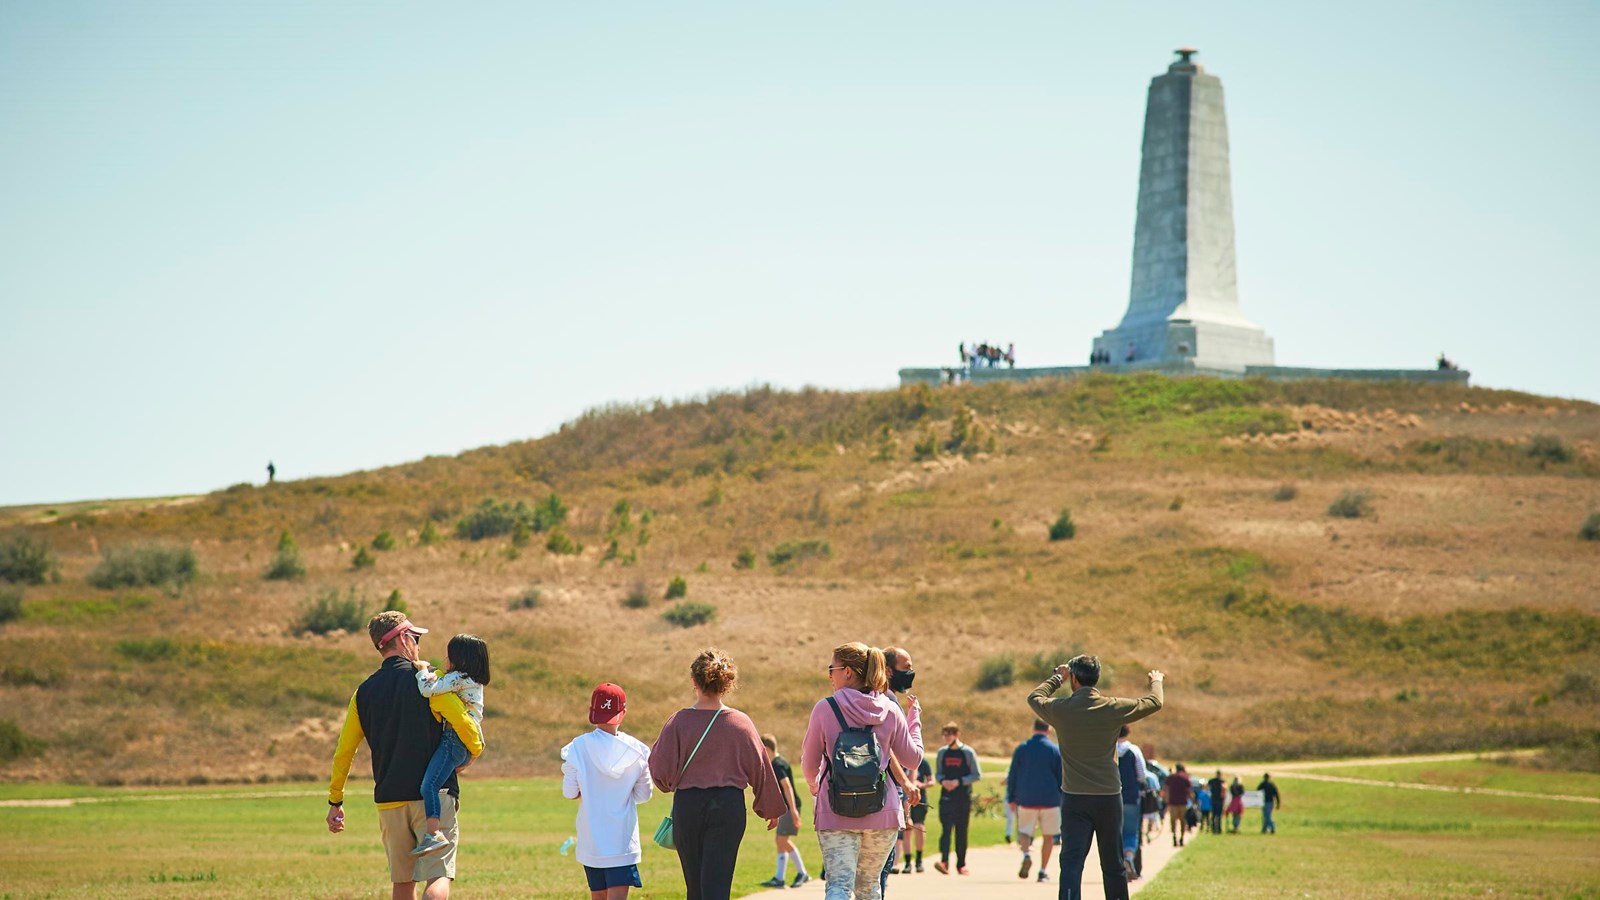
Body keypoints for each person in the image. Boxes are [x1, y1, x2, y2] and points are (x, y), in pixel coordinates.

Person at [325, 612, 485, 900]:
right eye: (416, 638)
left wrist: (336, 800)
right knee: (438, 877)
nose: (419, 645)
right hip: (433, 796)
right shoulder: (429, 683)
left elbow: (344, 752)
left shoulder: (363, 693)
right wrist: (474, 751)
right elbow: (464, 722)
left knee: (402, 883)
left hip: (389, 799)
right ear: (402, 639)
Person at [649, 648, 787, 900]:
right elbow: (760, 768)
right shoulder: (740, 722)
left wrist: (669, 782)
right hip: (728, 806)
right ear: (727, 683)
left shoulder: (679, 722)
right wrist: (770, 808)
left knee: (695, 888)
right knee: (717, 886)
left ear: (694, 681)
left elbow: (660, 770)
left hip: (688, 806)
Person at [1029, 655, 1164, 900]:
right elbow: (1154, 702)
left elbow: (1034, 697)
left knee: (1071, 863)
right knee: (1113, 863)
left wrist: (1058, 677)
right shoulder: (1111, 707)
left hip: (1074, 797)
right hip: (1109, 797)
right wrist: (1156, 680)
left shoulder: (1062, 710)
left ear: (1075, 679)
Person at [800, 642, 922, 900]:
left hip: (835, 810)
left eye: (831, 668)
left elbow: (809, 765)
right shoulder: (890, 709)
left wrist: (814, 785)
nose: (829, 675)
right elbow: (912, 759)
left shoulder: (825, 708)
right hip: (882, 812)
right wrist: (915, 720)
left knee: (838, 886)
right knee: (869, 888)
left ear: (847, 672)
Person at [561, 683, 653, 900]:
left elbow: (569, 792)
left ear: (592, 711)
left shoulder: (578, 747)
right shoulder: (638, 751)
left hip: (591, 840)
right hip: (622, 840)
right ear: (623, 712)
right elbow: (643, 795)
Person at [411, 635, 490, 856]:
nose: (446, 659)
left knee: (429, 785)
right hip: (464, 743)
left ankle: (433, 833)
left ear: (460, 659)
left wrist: (422, 669)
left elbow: (428, 689)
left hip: (454, 739)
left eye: (450, 655)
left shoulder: (459, 678)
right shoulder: (474, 681)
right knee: (436, 783)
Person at [877, 645, 921, 891]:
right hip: (888, 794)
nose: (911, 673)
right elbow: (907, 755)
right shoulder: (890, 700)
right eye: (906, 668)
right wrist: (915, 719)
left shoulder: (868, 696)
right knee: (881, 872)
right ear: (889, 671)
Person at [1007, 719, 1063, 884]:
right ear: (1049, 729)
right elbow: (1062, 777)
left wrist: (1011, 797)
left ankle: (1026, 854)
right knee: (1048, 836)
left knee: (1024, 831)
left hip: (1026, 798)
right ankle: (1042, 871)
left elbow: (1013, 774)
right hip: (1050, 800)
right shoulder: (1055, 750)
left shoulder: (1022, 749)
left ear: (1033, 729)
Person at [760, 734, 811, 889]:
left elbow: (787, 786)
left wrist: (794, 811)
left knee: (782, 840)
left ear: (767, 749)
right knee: (779, 841)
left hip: (790, 806)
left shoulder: (777, 765)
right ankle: (779, 877)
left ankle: (802, 873)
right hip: (786, 807)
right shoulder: (778, 762)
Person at [932, 722, 981, 875]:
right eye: (944, 734)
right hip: (946, 797)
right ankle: (944, 861)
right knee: (946, 829)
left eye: (949, 734)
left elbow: (977, 774)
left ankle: (961, 864)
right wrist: (943, 781)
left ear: (956, 734)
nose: (946, 738)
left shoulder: (967, 752)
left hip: (963, 798)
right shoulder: (942, 752)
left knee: (961, 831)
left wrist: (959, 782)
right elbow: (938, 773)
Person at [1115, 726, 1147, 880]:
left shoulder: (1109, 750)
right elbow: (1141, 775)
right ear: (1128, 733)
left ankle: (1119, 865)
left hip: (1113, 797)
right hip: (1131, 797)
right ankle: (1129, 857)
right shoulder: (1133, 750)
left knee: (1117, 833)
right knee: (1131, 831)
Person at [1163, 764, 1192, 847]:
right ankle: (1182, 838)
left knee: (1173, 821)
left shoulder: (1171, 777)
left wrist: (1166, 800)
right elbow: (1189, 790)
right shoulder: (1185, 777)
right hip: (1183, 803)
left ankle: (1174, 837)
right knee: (1183, 821)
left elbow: (1166, 789)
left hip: (1173, 803)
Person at [1139, 768, 1162, 843]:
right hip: (1151, 800)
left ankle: (1141, 836)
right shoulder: (1153, 776)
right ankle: (1148, 833)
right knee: (1151, 818)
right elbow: (1157, 788)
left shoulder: (1138, 775)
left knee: (1141, 819)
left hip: (1141, 799)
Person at [1206, 771, 1225, 835]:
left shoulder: (1211, 781)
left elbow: (1207, 788)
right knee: (1219, 815)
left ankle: (1213, 828)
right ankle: (1219, 829)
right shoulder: (1222, 781)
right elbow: (1224, 790)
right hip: (1219, 800)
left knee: (1213, 815)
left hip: (1213, 799)